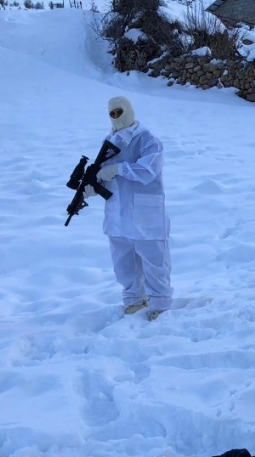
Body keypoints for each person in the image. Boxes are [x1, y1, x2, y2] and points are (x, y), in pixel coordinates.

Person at [85, 96, 172, 321]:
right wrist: (93, 187)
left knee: (154, 261)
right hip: (117, 213)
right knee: (123, 262)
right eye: (112, 113)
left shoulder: (147, 140)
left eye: (119, 112)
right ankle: (134, 300)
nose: (116, 117)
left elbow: (147, 170)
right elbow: (103, 174)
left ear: (129, 111)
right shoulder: (109, 142)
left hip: (145, 214)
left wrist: (118, 169)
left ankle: (160, 303)